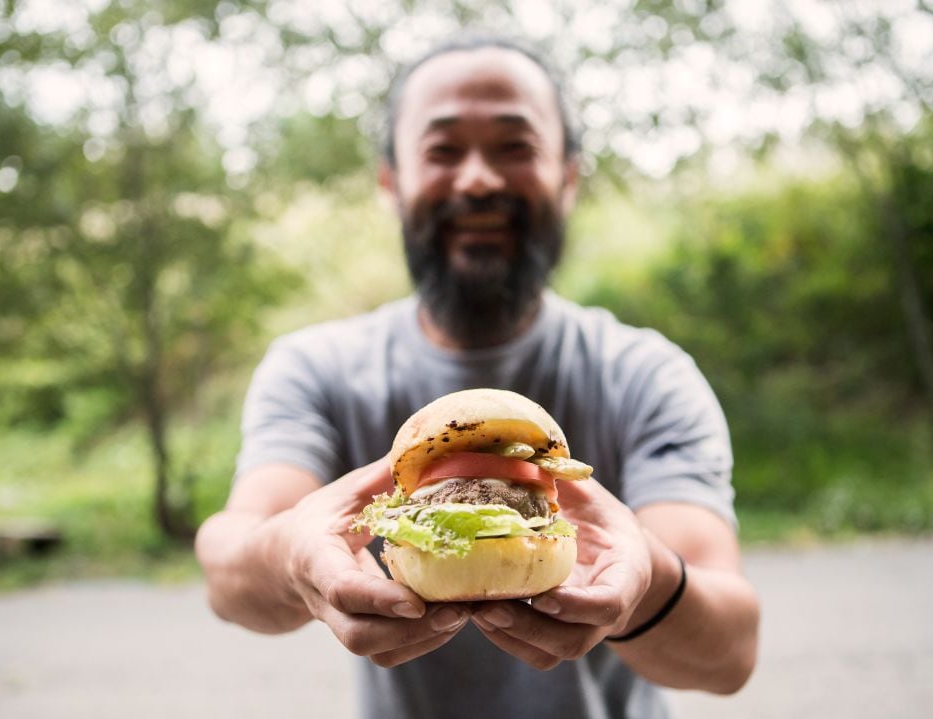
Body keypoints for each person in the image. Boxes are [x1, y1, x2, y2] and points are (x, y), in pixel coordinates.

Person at [195, 34, 760, 719]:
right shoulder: (315, 367)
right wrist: (288, 552)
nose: (477, 179)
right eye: (441, 150)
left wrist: (644, 580)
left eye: (515, 146)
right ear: (390, 181)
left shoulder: (645, 374)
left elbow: (730, 649)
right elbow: (227, 564)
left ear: (568, 176)